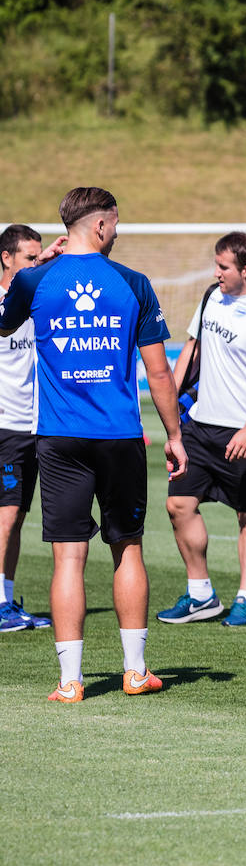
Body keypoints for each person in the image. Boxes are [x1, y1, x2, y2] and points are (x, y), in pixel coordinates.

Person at [0, 186, 186, 702]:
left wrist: (32, 271)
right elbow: (158, 372)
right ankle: (134, 671)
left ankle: (70, 680)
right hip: (120, 436)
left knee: (68, 558)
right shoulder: (133, 283)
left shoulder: (35, 279)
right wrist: (174, 435)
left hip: (57, 439)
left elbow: (2, 320)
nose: (118, 231)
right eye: (116, 223)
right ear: (102, 225)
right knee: (127, 547)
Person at [155, 233, 246, 627]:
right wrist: (171, 413)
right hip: (198, 426)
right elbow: (190, 351)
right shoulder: (210, 298)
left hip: (245, 432)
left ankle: (245, 600)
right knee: (179, 504)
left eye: (223, 267)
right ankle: (200, 595)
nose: (216, 273)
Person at [0, 224, 63, 632]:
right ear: (6, 258)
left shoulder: (36, 299)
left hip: (34, 426)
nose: (36, 263)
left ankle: (5, 600)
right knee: (6, 516)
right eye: (29, 257)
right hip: (4, 425)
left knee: (17, 515)